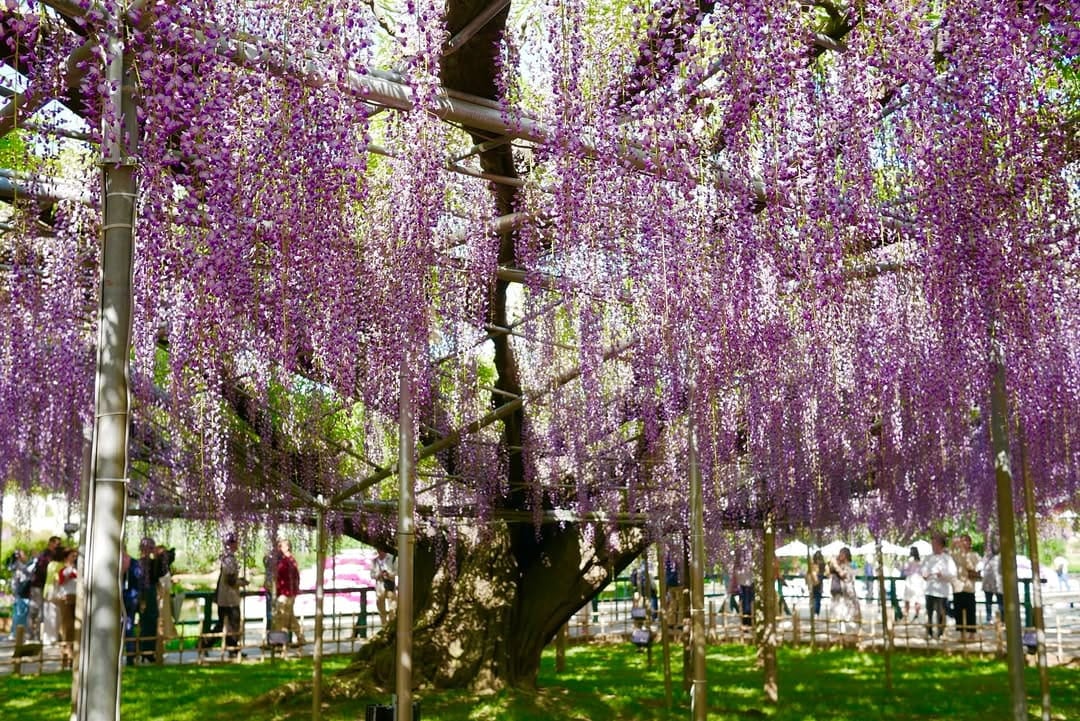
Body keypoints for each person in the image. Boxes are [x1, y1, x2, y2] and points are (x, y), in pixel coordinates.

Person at [125, 537, 166, 664]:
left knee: (150, 622)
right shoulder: (136, 563)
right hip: (140, 593)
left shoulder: (154, 563)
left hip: (148, 592)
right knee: (138, 623)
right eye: (147, 548)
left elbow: (163, 571)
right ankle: (137, 652)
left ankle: (147, 651)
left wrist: (157, 555)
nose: (148, 551)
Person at [207, 533, 247, 657]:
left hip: (225, 598)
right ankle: (206, 643)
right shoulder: (229, 559)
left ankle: (231, 648)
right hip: (229, 598)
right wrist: (242, 582)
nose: (237, 545)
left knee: (224, 624)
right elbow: (230, 581)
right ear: (231, 544)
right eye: (235, 542)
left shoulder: (226, 558)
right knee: (231, 623)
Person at [921, 532, 956, 640]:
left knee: (941, 613)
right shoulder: (928, 558)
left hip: (942, 591)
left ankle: (940, 633)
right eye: (932, 544)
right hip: (929, 590)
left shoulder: (947, 559)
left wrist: (943, 575)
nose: (933, 547)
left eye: (935, 544)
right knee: (929, 612)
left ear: (940, 545)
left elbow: (953, 574)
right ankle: (929, 632)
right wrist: (924, 575)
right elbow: (923, 570)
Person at [273, 539, 306, 646]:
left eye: (280, 546)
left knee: (280, 617)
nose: (279, 549)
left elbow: (290, 577)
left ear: (287, 547)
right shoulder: (289, 560)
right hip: (289, 592)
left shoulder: (287, 561)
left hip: (285, 593)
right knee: (290, 617)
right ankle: (301, 638)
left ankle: (279, 642)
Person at [28, 536, 61, 641]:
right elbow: (42, 572)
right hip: (38, 586)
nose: (58, 546)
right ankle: (32, 636)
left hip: (41, 586)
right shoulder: (45, 556)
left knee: (38, 612)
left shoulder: (50, 556)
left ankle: (35, 635)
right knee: (35, 611)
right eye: (57, 544)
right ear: (50, 543)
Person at [951, 534, 980, 641]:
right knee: (958, 610)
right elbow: (951, 554)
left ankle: (972, 634)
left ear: (969, 543)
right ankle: (961, 634)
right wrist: (953, 544)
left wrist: (964, 555)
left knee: (970, 611)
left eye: (965, 541)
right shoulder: (957, 555)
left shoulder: (974, 555)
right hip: (958, 586)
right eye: (961, 541)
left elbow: (971, 567)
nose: (963, 543)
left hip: (969, 586)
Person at [828, 547, 861, 643]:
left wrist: (835, 565)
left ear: (846, 555)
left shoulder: (850, 566)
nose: (839, 555)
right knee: (839, 615)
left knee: (850, 616)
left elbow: (845, 576)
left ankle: (854, 636)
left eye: (841, 554)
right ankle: (841, 636)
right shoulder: (837, 565)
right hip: (839, 594)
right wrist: (832, 564)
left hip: (848, 595)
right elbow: (828, 573)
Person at [57, 549, 78, 669]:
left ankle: (73, 657)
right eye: (72, 556)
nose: (74, 558)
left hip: (77, 600)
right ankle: (66, 657)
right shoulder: (63, 570)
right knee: (67, 628)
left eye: (75, 556)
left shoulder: (77, 569)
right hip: (66, 599)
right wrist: (69, 568)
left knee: (76, 629)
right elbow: (62, 580)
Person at [41, 544, 66, 646]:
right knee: (55, 615)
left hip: (47, 591)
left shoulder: (50, 564)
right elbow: (58, 579)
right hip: (55, 591)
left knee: (48, 615)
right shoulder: (61, 565)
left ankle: (47, 637)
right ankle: (53, 638)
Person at [6, 549, 33, 640]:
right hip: (21, 593)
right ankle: (16, 634)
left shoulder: (16, 566)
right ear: (19, 556)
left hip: (20, 593)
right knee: (20, 614)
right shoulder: (19, 566)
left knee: (19, 613)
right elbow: (27, 576)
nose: (25, 556)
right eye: (23, 554)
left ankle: (16, 633)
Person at [155, 544, 178, 641]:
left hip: (163, 597)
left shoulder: (163, 568)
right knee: (162, 619)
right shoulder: (161, 568)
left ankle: (163, 638)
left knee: (163, 618)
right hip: (161, 597)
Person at [371, 548, 397, 626]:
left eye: (381, 549)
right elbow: (372, 575)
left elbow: (397, 571)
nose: (380, 551)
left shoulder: (392, 558)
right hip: (380, 586)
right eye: (378, 549)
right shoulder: (374, 561)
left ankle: (391, 624)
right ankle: (384, 624)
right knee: (380, 607)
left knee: (392, 606)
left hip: (390, 585)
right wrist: (378, 574)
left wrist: (389, 574)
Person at [902, 547, 926, 621]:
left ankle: (906, 615)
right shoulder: (920, 561)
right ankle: (917, 614)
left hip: (911, 580)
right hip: (918, 581)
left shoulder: (910, 560)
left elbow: (905, 571)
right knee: (917, 599)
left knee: (907, 599)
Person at [981, 542, 1003, 623]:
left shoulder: (1002, 556)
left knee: (1000, 603)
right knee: (988, 602)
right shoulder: (987, 556)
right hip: (987, 583)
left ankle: (1002, 619)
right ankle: (988, 618)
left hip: (998, 584)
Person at [806, 551, 826, 617]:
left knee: (817, 599)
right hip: (814, 584)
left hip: (818, 584)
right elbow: (808, 574)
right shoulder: (813, 565)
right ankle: (814, 613)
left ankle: (815, 613)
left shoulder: (822, 565)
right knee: (815, 599)